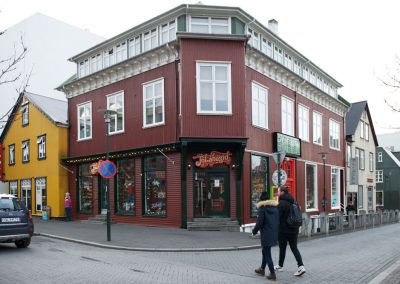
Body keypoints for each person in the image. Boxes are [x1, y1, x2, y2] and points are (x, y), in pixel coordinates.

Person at [275, 186, 306, 276]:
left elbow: (277, 217)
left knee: (282, 248)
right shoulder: (294, 201)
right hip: (294, 229)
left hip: (283, 230)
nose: (278, 193)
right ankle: (301, 266)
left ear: (283, 192)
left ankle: (280, 266)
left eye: (279, 191)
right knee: (294, 248)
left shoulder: (281, 203)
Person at [252, 191, 279, 281]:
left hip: (266, 234)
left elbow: (259, 222)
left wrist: (254, 231)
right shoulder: (274, 207)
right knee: (265, 251)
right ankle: (262, 269)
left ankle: (272, 274)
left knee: (267, 254)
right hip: (273, 232)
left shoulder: (262, 208)